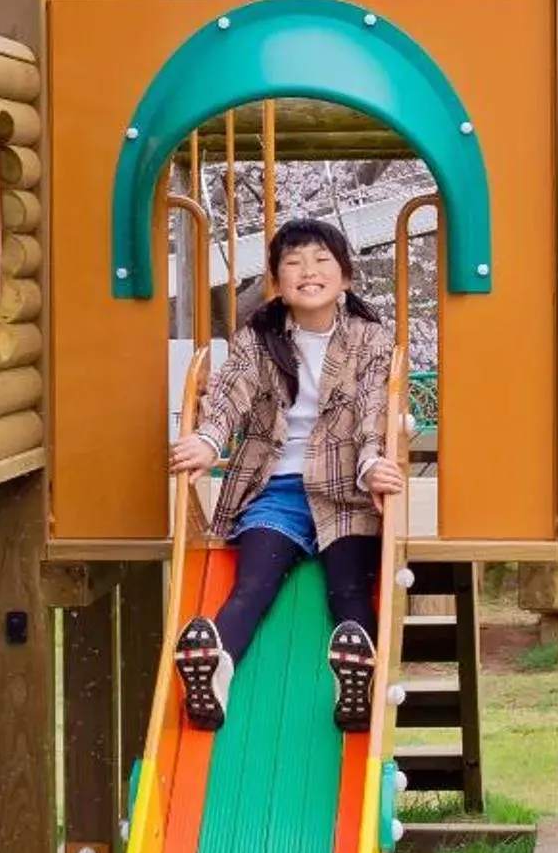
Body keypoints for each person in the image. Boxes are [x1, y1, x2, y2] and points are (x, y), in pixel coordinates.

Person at [166, 219, 409, 735]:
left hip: (346, 490)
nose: (308, 272)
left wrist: (373, 465)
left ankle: (357, 684)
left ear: (345, 277)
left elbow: (372, 410)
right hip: (275, 490)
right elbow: (232, 392)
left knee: (348, 588)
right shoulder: (259, 337)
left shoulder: (370, 340)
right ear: (276, 280)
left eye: (321, 261)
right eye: (294, 263)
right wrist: (208, 441)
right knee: (252, 583)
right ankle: (216, 671)